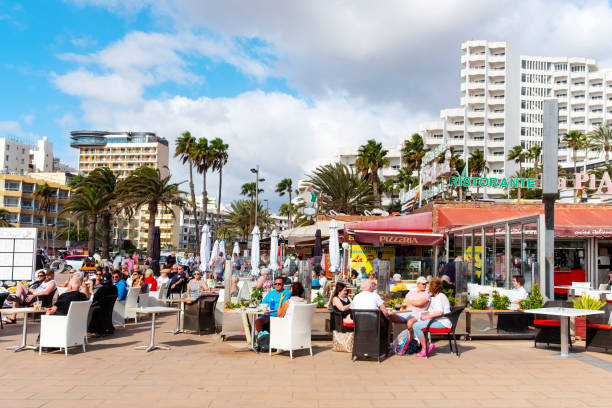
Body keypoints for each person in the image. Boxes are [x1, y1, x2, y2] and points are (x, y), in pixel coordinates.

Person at [411, 277, 452, 357]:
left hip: (442, 323)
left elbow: (440, 312)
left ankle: (425, 348)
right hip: (443, 321)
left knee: (416, 326)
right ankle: (426, 345)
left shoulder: (439, 297)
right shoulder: (441, 295)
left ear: (432, 287)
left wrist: (427, 317)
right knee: (419, 324)